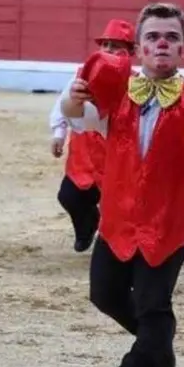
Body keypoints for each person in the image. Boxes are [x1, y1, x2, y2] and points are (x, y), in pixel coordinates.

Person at [60, 2, 184, 367]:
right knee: (104, 295)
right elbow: (78, 116)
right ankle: (157, 345)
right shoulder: (117, 90)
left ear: (183, 49)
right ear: (140, 49)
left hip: (168, 224)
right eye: (153, 37)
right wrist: (73, 98)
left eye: (171, 37)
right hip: (117, 219)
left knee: (151, 303)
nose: (162, 43)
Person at [49, 19, 134, 252]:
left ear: (130, 52)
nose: (108, 50)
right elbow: (64, 102)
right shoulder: (84, 74)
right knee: (69, 196)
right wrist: (58, 132)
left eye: (116, 46)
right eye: (105, 44)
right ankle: (86, 228)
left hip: (117, 159)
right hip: (84, 157)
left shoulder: (137, 82)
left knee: (120, 209)